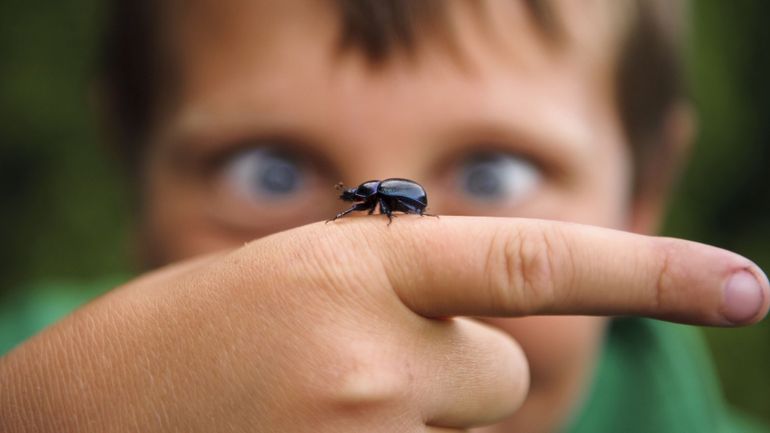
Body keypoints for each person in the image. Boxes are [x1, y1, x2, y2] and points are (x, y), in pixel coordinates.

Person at [1, 1, 768, 432]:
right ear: (133, 170)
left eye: (494, 174)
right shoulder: (28, 365)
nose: (370, 285)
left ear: (644, 188)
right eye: (268, 171)